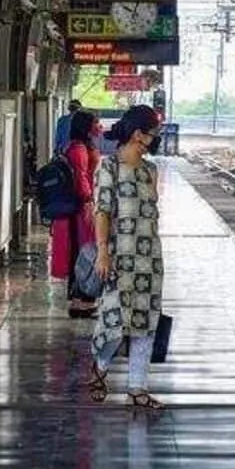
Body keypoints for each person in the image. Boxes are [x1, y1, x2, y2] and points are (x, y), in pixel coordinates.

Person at [88, 105, 166, 409]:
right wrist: (103, 252)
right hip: (119, 258)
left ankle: (138, 387)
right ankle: (100, 367)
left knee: (146, 322)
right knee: (114, 320)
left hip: (150, 259)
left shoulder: (150, 170)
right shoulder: (108, 168)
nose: (154, 139)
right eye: (152, 133)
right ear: (138, 135)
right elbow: (102, 212)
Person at [57, 111, 102, 318]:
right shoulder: (79, 150)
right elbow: (82, 178)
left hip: (81, 206)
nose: (99, 126)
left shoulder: (78, 146)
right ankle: (80, 300)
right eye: (96, 122)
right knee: (84, 252)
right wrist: (89, 203)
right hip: (81, 208)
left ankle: (82, 299)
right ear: (86, 126)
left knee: (82, 251)